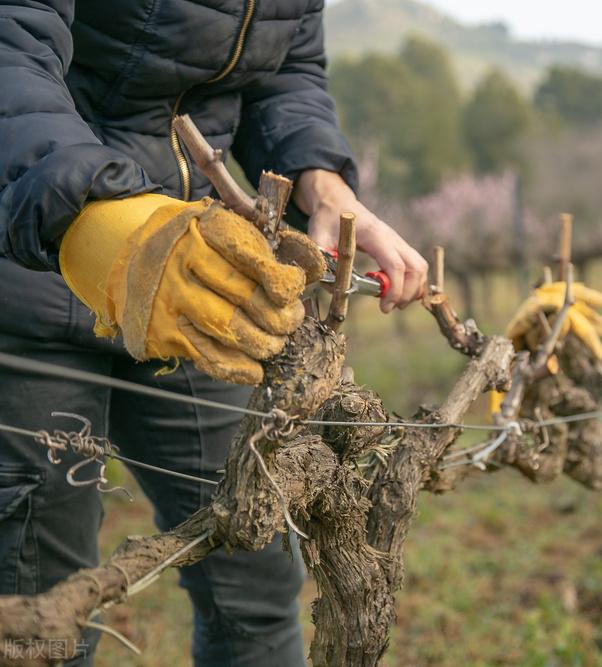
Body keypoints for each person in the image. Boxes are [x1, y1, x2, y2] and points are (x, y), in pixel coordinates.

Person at [0, 1, 427, 664]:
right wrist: (94, 211)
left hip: (200, 280)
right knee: (39, 621)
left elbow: (286, 72)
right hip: (34, 261)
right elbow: (11, 37)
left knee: (256, 584)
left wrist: (323, 180)